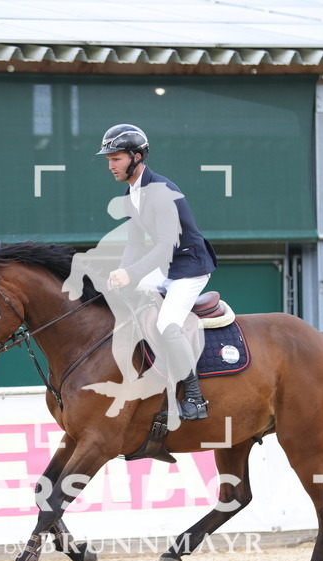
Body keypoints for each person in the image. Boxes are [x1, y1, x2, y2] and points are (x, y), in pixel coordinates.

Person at [96, 123, 218, 421]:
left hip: (190, 268)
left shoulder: (162, 192)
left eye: (116, 158)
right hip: (166, 267)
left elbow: (165, 246)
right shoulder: (132, 192)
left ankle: (194, 396)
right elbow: (135, 243)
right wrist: (121, 273)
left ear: (137, 157)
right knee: (121, 300)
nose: (110, 165)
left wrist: (133, 274)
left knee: (167, 325)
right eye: (108, 159)